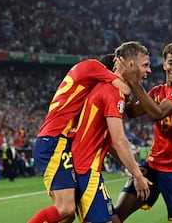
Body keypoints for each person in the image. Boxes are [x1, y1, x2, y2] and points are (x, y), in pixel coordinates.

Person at [28, 55, 131, 223]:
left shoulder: (82, 77)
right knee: (65, 209)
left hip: (57, 140)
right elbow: (124, 89)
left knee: (67, 216)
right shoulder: (93, 66)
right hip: (54, 140)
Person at [113, 41, 172, 223]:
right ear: (164, 64)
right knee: (115, 216)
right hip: (152, 167)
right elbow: (132, 112)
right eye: (171, 62)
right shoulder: (156, 91)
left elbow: (158, 113)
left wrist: (135, 82)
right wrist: (124, 83)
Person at [71, 41, 152, 223]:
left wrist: (132, 168)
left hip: (86, 168)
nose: (149, 71)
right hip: (86, 169)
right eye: (145, 65)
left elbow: (106, 142)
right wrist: (138, 176)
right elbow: (119, 141)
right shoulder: (113, 91)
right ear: (131, 64)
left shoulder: (110, 89)